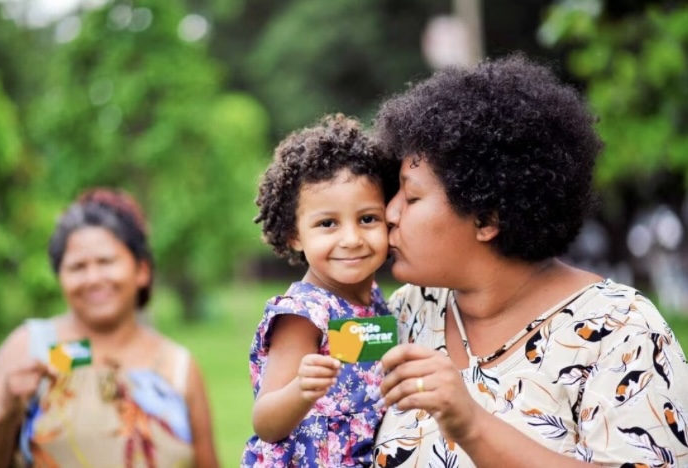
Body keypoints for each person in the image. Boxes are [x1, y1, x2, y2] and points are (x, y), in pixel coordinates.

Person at [371, 54, 688, 467]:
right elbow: (319, 411)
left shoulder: (621, 332)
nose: (390, 213)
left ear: (486, 218)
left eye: (411, 197)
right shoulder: (405, 312)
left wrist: (472, 424)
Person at [0, 188, 219, 468]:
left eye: (106, 262)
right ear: (60, 277)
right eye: (77, 267)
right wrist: (6, 411)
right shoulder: (32, 349)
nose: (93, 278)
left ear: (142, 270)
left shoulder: (177, 367)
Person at [241, 114, 397, 467]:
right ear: (295, 235)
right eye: (328, 224)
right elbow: (265, 421)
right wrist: (300, 391)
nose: (352, 239)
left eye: (367, 219)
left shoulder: (375, 301)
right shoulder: (304, 314)